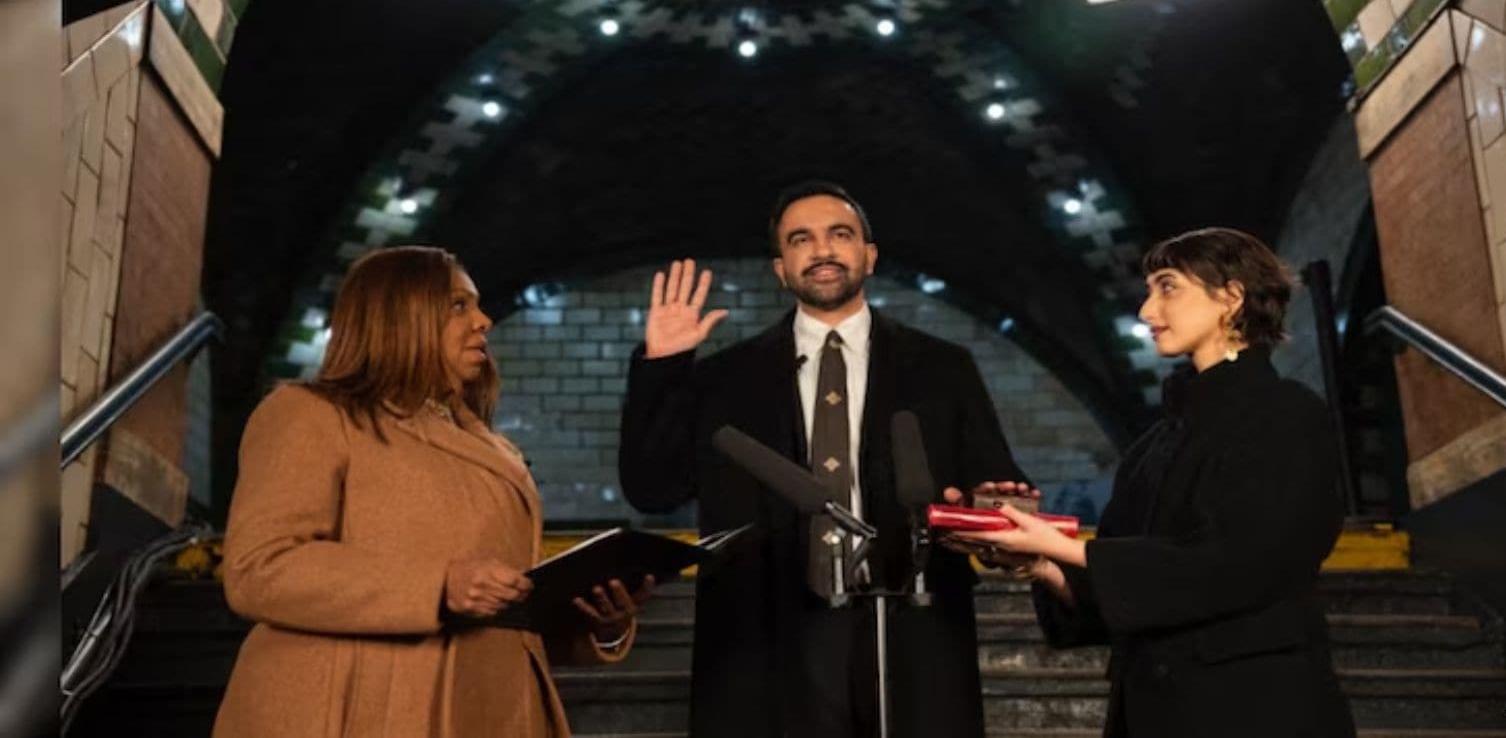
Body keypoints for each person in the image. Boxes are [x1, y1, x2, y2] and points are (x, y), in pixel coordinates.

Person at [619, 181, 1035, 737]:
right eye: (801, 239)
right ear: (781, 269)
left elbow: (993, 485)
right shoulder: (724, 379)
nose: (821, 250)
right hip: (764, 645)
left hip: (910, 634)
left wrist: (995, 511)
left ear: (870, 254)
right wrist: (663, 367)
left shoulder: (943, 368)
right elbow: (652, 488)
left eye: (840, 234)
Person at [214, 246, 652, 738]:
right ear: (398, 315)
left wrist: (599, 624)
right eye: (459, 305)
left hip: (494, 708)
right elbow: (261, 567)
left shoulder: (494, 450)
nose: (484, 321)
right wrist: (439, 585)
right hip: (359, 708)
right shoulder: (309, 413)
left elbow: (505, 610)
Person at [952, 227, 1356, 738]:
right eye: (1149, 291)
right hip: (1152, 712)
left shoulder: (1287, 413)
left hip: (1255, 709)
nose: (1146, 311)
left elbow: (1246, 561)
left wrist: (1064, 548)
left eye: (1168, 287)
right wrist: (1041, 564)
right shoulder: (1152, 445)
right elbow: (1128, 594)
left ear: (1231, 297)